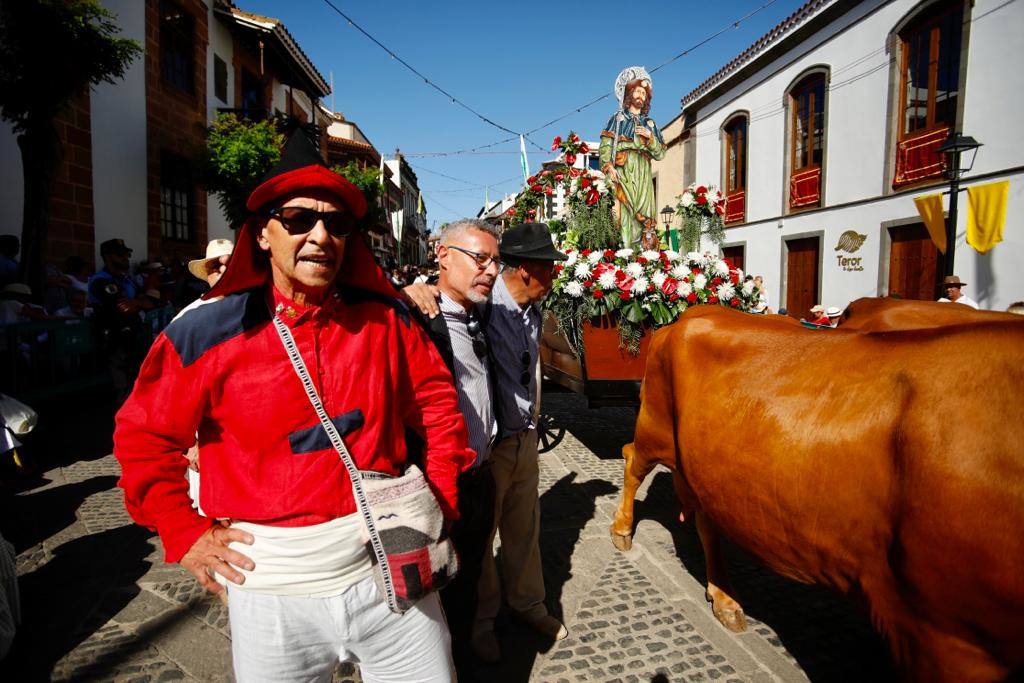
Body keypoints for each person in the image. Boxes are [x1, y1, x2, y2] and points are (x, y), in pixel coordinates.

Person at [114, 132, 472, 682]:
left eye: (336, 223)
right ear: (262, 234)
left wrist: (441, 499)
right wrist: (183, 532)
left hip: (390, 568)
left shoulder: (387, 320)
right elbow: (145, 437)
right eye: (299, 219)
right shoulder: (204, 333)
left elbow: (437, 410)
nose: (321, 236)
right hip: (271, 590)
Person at [407, 219, 500, 668]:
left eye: (495, 261)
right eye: (479, 258)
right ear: (442, 256)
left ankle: (461, 660)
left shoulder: (478, 312)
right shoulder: (416, 317)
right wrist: (405, 291)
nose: (490, 270)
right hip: (439, 486)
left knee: (469, 583)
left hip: (482, 479)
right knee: (432, 599)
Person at [474, 222, 568, 662]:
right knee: (481, 537)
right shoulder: (481, 307)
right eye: (549, 267)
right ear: (528, 270)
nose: (555, 276)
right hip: (491, 449)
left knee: (525, 527)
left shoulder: (531, 311)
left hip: (525, 438)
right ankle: (482, 622)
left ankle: (529, 605)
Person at [599, 67, 666, 250]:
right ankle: (625, 252)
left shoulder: (650, 123)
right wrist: (608, 167)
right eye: (637, 91)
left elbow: (661, 153)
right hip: (624, 170)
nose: (641, 95)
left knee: (645, 216)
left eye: (644, 93)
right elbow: (605, 147)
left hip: (643, 173)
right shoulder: (617, 119)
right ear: (629, 93)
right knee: (625, 216)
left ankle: (644, 255)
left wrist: (650, 137)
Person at [89, 238, 150, 404]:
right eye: (120, 255)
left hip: (133, 337)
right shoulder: (100, 280)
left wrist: (138, 302)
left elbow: (149, 301)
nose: (126, 258)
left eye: (126, 254)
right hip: (115, 339)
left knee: (136, 380)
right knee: (122, 386)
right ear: (108, 257)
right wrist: (139, 303)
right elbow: (123, 307)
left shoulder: (127, 280)